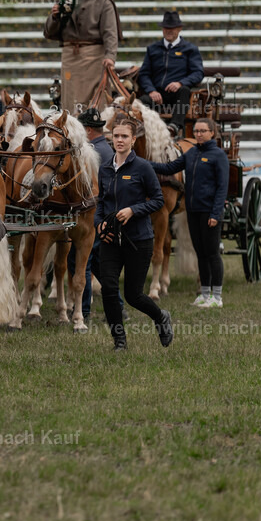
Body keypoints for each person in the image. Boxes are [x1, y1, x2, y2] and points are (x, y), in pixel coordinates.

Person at [95, 120, 172, 351]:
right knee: (108, 288)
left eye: (124, 137)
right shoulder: (105, 168)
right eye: (116, 136)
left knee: (133, 295)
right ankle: (119, 341)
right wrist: (99, 224)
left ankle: (160, 317)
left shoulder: (143, 167)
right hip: (110, 239)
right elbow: (101, 203)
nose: (119, 140)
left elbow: (158, 200)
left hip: (138, 239)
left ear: (133, 140)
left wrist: (133, 210)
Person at [149, 117, 229, 308]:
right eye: (196, 131)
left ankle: (216, 297)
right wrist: (145, 164)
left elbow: (222, 188)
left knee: (212, 254)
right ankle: (204, 294)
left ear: (212, 133)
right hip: (193, 212)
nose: (199, 134)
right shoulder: (192, 153)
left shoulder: (218, 156)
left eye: (203, 131)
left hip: (210, 212)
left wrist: (215, 214)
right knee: (201, 253)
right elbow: (169, 168)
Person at [61, 108, 119, 324]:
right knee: (96, 266)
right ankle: (117, 308)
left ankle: (83, 310)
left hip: (94, 216)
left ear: (86, 130)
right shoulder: (106, 149)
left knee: (82, 264)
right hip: (102, 215)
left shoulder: (90, 151)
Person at [43, 0, 122, 113]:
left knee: (94, 96)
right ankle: (72, 129)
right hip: (69, 55)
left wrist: (110, 56)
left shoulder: (103, 1)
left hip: (94, 54)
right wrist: (54, 17)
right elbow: (49, 32)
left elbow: (110, 32)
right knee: (70, 97)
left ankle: (96, 129)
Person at [136, 11, 204, 137]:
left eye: (172, 28)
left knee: (184, 91)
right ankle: (145, 133)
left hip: (177, 94)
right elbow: (144, 74)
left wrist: (180, 83)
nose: (169, 31)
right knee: (140, 102)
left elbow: (198, 73)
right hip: (156, 95)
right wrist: (151, 91)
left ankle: (175, 126)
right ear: (162, 29)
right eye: (166, 28)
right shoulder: (153, 49)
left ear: (179, 29)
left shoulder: (190, 49)